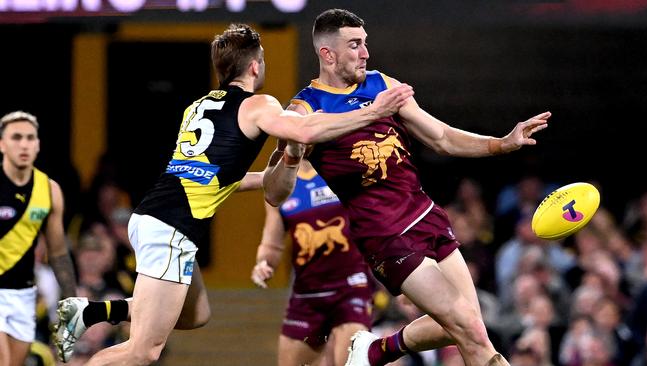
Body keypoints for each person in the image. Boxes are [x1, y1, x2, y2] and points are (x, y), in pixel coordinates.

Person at [53, 23, 413, 365]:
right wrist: (374, 111)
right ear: (255, 67)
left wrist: (277, 172)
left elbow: (219, 180)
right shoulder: (258, 104)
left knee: (196, 314)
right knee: (142, 351)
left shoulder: (198, 107)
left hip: (155, 216)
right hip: (173, 229)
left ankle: (92, 311)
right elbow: (303, 131)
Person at [288, 9, 551, 366]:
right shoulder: (306, 107)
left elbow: (440, 136)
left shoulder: (382, 84)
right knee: (471, 330)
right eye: (355, 45)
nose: (365, 52)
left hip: (425, 214)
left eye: (365, 43)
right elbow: (289, 158)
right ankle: (373, 351)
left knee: (468, 325)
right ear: (327, 54)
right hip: (383, 233)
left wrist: (499, 143)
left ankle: (374, 350)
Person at [251, 159, 373, 366]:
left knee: (350, 361)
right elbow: (272, 244)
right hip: (306, 294)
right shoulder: (279, 183)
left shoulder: (344, 167)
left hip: (351, 287)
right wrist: (264, 264)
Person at [0, 111, 77, 366]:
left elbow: (57, 252)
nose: (24, 144)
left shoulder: (49, 190)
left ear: (38, 145)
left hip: (23, 294)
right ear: (2, 144)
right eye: (16, 137)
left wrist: (71, 302)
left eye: (30, 138)